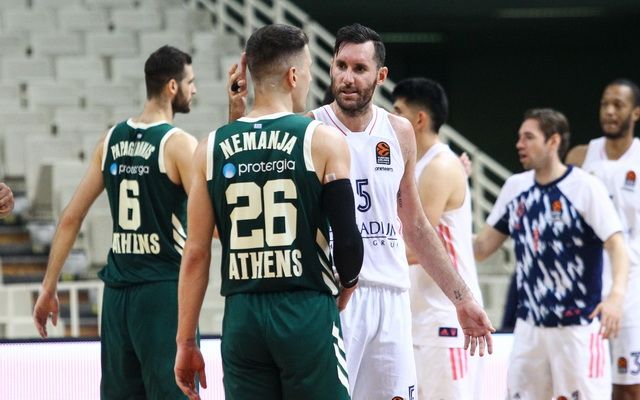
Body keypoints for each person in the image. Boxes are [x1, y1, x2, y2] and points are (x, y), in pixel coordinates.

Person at [228, 23, 493, 400]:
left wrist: (462, 299)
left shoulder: (399, 131)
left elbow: (416, 226)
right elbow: (248, 183)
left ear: (380, 76)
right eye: (341, 66)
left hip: (393, 298)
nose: (347, 78)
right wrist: (236, 114)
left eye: (359, 68)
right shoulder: (308, 127)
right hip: (336, 297)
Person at [174, 24, 364, 400]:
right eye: (308, 70)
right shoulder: (322, 140)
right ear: (293, 75)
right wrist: (348, 283)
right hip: (304, 307)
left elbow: (195, 253)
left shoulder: (209, 148)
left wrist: (185, 341)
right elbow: (347, 239)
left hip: (242, 316)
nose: (310, 79)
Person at [33, 45, 198, 399]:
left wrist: (48, 287)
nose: (194, 90)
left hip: (117, 297)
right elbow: (209, 223)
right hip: (162, 292)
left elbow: (71, 217)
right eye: (190, 82)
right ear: (172, 87)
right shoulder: (179, 144)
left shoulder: (110, 140)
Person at [474, 108, 629, 399]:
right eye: (519, 137)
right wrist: (453, 209)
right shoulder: (515, 188)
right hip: (528, 328)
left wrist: (616, 296)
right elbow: (481, 248)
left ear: (553, 141)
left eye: (529, 137)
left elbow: (617, 244)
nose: (519, 144)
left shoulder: (584, 187)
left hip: (577, 327)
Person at [392, 77, 485, 400]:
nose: (391, 119)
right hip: (421, 318)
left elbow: (417, 246)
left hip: (445, 320)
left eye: (398, 111)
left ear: (419, 119)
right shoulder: (415, 166)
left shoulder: (440, 166)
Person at [565, 78, 640, 399]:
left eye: (618, 105)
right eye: (604, 104)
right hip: (586, 285)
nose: (609, 111)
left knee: (628, 385)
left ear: (635, 113)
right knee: (582, 383)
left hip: (631, 288)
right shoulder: (580, 157)